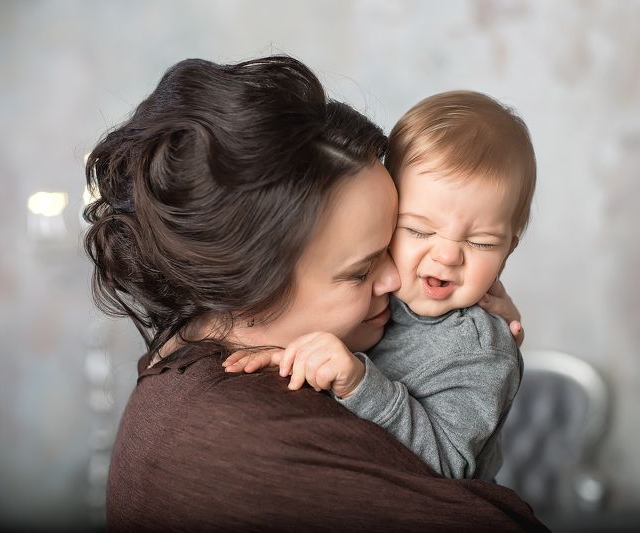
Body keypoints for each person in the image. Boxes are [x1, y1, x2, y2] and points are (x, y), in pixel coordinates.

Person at [86, 55, 547, 531]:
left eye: (389, 242)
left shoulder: (193, 358)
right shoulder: (246, 441)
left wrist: (467, 338)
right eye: (361, 269)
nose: (395, 279)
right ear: (252, 292)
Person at [225, 91, 536, 482]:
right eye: (418, 230)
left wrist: (358, 382)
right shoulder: (385, 289)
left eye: (481, 243)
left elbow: (449, 466)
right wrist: (293, 353)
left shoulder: (480, 351)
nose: (447, 257)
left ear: (507, 251)